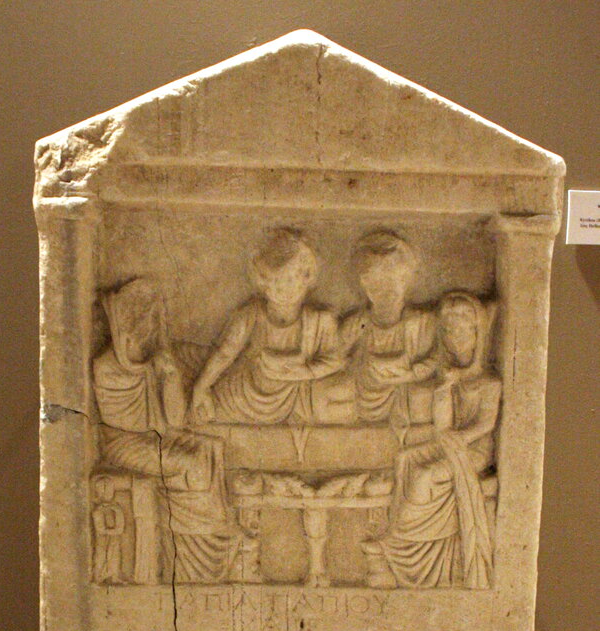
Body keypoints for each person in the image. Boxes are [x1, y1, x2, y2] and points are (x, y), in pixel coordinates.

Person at [93, 278, 239, 582]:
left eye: (149, 321)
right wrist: (154, 374)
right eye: (136, 322)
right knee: (192, 463)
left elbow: (174, 420)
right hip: (124, 444)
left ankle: (215, 537)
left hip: (155, 439)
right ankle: (191, 559)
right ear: (120, 325)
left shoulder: (160, 360)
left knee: (210, 448)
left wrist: (170, 377)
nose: (143, 330)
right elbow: (130, 423)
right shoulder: (106, 367)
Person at [367, 291, 500, 588]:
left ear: (477, 334)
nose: (455, 339)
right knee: (404, 458)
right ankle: (400, 531)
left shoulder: (489, 382)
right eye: (449, 332)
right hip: (448, 443)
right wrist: (444, 389)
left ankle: (400, 540)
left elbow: (486, 424)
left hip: (474, 451)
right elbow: (442, 427)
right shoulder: (448, 378)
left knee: (425, 476)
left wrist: (460, 439)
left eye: (462, 332)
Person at [191, 229, 342, 427]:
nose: (284, 289)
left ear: (306, 278)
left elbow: (335, 361)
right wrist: (201, 387)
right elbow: (225, 353)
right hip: (244, 396)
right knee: (203, 413)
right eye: (276, 281)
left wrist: (304, 372)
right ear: (263, 283)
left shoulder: (321, 320)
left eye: (291, 279)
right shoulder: (250, 315)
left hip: (297, 396)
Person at [313, 230, 436, 425]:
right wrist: (345, 346)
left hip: (403, 389)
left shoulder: (421, 322)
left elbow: (436, 360)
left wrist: (410, 375)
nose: (384, 289)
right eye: (375, 283)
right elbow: (334, 360)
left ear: (406, 279)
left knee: (424, 398)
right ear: (363, 285)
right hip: (361, 390)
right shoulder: (357, 323)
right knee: (323, 395)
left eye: (391, 280)